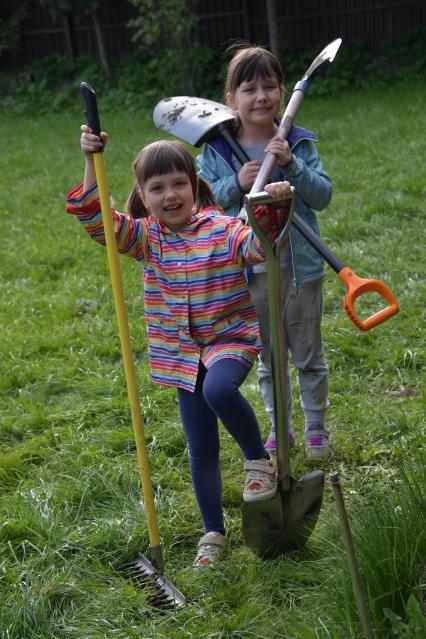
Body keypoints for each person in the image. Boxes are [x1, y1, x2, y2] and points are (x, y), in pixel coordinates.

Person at [66, 126, 293, 567]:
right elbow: (97, 219)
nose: (170, 195)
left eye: (178, 184)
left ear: (194, 185)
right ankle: (212, 531)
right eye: (157, 188)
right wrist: (90, 162)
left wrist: (273, 210)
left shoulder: (221, 227)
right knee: (200, 448)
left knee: (219, 391)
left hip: (228, 339)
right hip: (181, 356)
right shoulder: (146, 238)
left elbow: (255, 246)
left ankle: (259, 460)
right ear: (143, 195)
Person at [197, 44, 333, 460]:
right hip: (250, 272)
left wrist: (291, 165)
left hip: (300, 266)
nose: (261, 97)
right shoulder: (217, 151)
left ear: (281, 92)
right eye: (249, 89)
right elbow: (203, 210)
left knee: (307, 352)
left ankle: (315, 429)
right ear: (230, 100)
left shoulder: (298, 142)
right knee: (270, 358)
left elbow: (322, 196)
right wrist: (235, 182)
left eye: (270, 87)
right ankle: (280, 428)